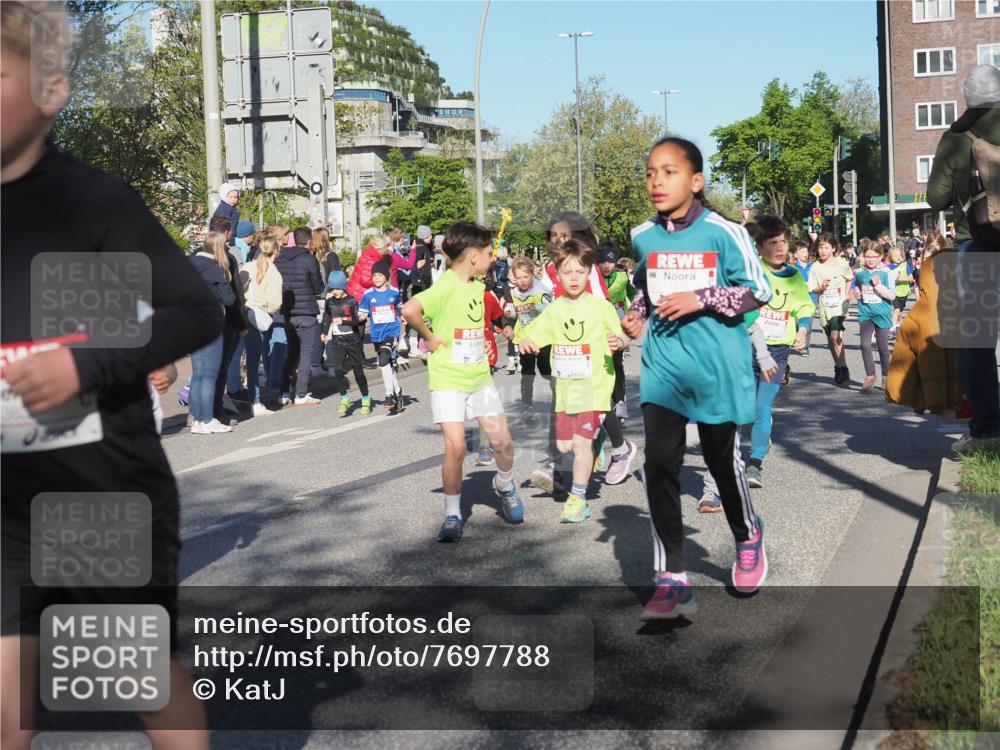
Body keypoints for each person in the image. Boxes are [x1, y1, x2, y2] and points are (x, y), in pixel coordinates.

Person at [2, 3, 212, 745]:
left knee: (139, 679)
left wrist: (80, 363)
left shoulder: (88, 201)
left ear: (51, 93)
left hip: (96, 492)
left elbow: (193, 310)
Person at [621, 137, 771, 619]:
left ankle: (747, 536)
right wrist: (636, 314)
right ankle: (672, 578)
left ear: (696, 180)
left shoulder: (725, 232)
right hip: (663, 366)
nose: (656, 181)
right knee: (659, 464)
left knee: (721, 462)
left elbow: (758, 291)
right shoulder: (643, 234)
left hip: (716, 368)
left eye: (669, 172)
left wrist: (701, 297)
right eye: (650, 172)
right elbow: (646, 288)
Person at [402, 222, 525, 542]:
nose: (491, 258)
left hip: (479, 377)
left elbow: (474, 324)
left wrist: (488, 341)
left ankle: (505, 485)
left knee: (503, 442)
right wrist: (429, 336)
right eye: (488, 253)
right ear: (473, 256)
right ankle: (453, 514)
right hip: (448, 379)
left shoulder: (477, 288)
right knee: (456, 446)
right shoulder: (446, 285)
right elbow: (410, 309)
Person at [519, 240, 633, 522]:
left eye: (579, 272)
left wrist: (619, 341)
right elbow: (532, 335)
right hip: (566, 391)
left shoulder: (601, 307)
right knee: (564, 446)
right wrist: (526, 343)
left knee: (580, 446)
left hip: (594, 388)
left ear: (589, 273)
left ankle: (578, 499)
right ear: (557, 274)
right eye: (567, 272)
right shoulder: (555, 310)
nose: (573, 278)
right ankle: (597, 439)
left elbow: (623, 336)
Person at [927, 63, 1000, 450]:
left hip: (979, 246)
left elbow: (935, 198)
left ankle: (988, 431)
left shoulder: (957, 137)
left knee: (977, 341)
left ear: (969, 97)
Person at [743, 216, 814, 488]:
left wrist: (803, 329)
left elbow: (804, 306)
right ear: (760, 247)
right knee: (747, 407)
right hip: (746, 348)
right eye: (772, 243)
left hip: (777, 353)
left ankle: (755, 462)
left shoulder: (794, 277)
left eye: (783, 242)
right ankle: (762, 434)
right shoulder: (752, 272)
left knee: (762, 406)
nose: (780, 248)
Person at [189, 232, 237, 433]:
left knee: (198, 374)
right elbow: (229, 299)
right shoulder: (214, 268)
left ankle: (197, 419)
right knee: (209, 375)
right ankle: (208, 419)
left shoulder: (189, 263)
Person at [274, 227, 324, 406]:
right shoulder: (310, 259)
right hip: (306, 312)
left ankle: (283, 392)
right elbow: (318, 288)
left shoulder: (280, 258)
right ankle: (301, 393)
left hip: (287, 311)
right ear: (309, 242)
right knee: (305, 353)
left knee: (291, 352)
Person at [208, 216, 246, 422]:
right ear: (227, 233)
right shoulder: (227, 259)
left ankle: (200, 412)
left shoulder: (197, 257)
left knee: (203, 371)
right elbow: (234, 294)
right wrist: (240, 322)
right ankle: (215, 412)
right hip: (226, 321)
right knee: (220, 368)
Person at [505, 255, 553, 419]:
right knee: (527, 373)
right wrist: (508, 322)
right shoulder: (513, 293)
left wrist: (540, 306)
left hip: (543, 339)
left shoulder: (540, 291)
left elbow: (550, 313)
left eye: (525, 277)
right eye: (519, 277)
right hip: (524, 339)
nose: (522, 281)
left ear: (532, 275)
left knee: (547, 371)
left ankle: (559, 400)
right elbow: (512, 313)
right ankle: (526, 406)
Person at [241, 235, 283, 416]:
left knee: (236, 359)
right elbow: (275, 303)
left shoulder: (247, 266)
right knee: (253, 362)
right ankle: (255, 401)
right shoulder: (274, 273)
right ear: (276, 252)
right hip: (258, 317)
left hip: (242, 313)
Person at [321, 271, 371, 417]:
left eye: (337, 288)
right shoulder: (330, 302)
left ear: (343, 287)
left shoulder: (352, 301)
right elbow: (327, 316)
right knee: (337, 370)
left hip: (352, 340)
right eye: (332, 289)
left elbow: (358, 322)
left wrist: (343, 321)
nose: (334, 292)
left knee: (358, 372)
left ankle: (366, 399)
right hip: (337, 340)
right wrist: (324, 331)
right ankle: (344, 398)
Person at [359, 259, 405, 413]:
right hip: (377, 334)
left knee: (384, 359)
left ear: (386, 276)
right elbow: (362, 311)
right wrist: (361, 316)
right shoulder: (368, 294)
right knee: (387, 364)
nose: (377, 278)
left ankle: (389, 394)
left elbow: (400, 308)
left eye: (380, 275)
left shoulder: (394, 292)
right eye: (374, 276)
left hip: (392, 332)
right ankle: (397, 390)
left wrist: (404, 317)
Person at [808, 232, 854, 386]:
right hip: (825, 306)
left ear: (833, 248)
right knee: (830, 338)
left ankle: (843, 366)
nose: (823, 251)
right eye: (820, 248)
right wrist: (821, 287)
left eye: (826, 248)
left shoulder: (841, 263)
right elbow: (812, 288)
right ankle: (839, 367)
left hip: (839, 306)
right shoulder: (815, 267)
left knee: (835, 335)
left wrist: (846, 293)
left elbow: (849, 278)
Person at [596, 240, 635, 422]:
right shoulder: (593, 278)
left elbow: (634, 296)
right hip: (598, 326)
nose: (606, 265)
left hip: (617, 326)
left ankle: (620, 400)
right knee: (601, 365)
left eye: (610, 261)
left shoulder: (622, 277)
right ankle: (603, 403)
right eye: (603, 261)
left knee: (617, 363)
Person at [850, 243, 895, 393]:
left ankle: (886, 376)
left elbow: (892, 295)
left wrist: (877, 286)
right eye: (867, 257)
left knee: (882, 346)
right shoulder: (860, 272)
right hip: (866, 313)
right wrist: (857, 290)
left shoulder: (886, 272)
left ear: (880, 256)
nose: (870, 260)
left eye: (874, 257)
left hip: (882, 313)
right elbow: (858, 284)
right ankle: (870, 375)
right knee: (864, 344)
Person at [885, 245, 914, 336]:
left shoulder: (906, 265)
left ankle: (894, 326)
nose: (898, 257)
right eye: (895, 255)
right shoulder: (888, 268)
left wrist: (902, 279)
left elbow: (911, 278)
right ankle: (891, 330)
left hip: (904, 293)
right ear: (890, 257)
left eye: (900, 255)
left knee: (899, 312)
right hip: (893, 293)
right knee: (896, 310)